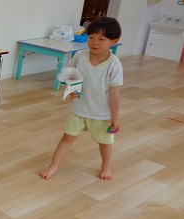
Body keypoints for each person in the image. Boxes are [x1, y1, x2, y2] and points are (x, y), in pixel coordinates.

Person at [40, 16, 123, 181]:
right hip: (78, 109)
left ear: (114, 41)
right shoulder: (79, 56)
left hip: (101, 115)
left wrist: (114, 118)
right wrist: (70, 88)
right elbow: (67, 75)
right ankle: (53, 165)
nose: (95, 43)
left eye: (101, 39)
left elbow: (114, 93)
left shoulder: (114, 64)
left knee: (104, 143)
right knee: (67, 138)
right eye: (91, 37)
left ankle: (106, 167)